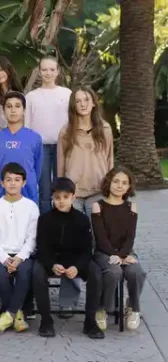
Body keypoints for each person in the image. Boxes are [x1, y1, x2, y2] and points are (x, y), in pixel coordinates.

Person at [32, 177, 105, 339]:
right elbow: (42, 248)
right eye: (57, 197)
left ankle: (90, 321)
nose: (61, 201)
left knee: (95, 273)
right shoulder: (45, 219)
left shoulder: (82, 219)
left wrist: (77, 267)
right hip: (53, 260)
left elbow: (87, 249)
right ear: (52, 198)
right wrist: (51, 264)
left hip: (75, 260)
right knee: (37, 273)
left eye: (65, 197)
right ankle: (46, 320)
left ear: (73, 197)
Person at [0, 162, 39, 334]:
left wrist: (19, 257)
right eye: (8, 180)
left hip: (23, 254)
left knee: (24, 273)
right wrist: (4, 258)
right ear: (2, 183)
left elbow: (32, 238)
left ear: (24, 182)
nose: (13, 183)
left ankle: (8, 315)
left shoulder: (31, 207)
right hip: (0, 254)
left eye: (17, 179)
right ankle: (17, 315)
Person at [92, 167, 146, 331]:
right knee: (114, 272)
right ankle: (103, 308)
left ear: (129, 186)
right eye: (116, 181)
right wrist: (115, 255)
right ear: (108, 182)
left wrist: (122, 255)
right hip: (104, 252)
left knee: (136, 271)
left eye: (124, 183)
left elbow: (130, 236)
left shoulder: (131, 207)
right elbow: (101, 238)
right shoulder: (98, 206)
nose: (119, 186)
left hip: (126, 251)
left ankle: (133, 307)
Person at [57, 87, 114, 217]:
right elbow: (60, 163)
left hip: (98, 191)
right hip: (72, 192)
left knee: (96, 229)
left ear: (94, 103)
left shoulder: (105, 129)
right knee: (75, 229)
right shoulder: (65, 132)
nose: (83, 104)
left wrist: (110, 187)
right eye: (78, 101)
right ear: (73, 105)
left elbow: (110, 159)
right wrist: (61, 190)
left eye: (86, 100)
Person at [25, 56, 72, 213]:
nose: (48, 73)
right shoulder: (31, 96)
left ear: (58, 71)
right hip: (41, 147)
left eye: (52, 69)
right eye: (44, 69)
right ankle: (46, 221)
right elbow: (27, 124)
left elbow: (72, 120)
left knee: (62, 187)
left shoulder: (67, 94)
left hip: (62, 146)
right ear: (39, 72)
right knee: (44, 189)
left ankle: (62, 219)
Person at [0, 92, 43, 203]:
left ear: (24, 110)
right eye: (9, 106)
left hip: (28, 194)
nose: (13, 110)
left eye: (17, 106)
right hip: (1, 195)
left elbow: (37, 168)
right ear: (3, 110)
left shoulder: (35, 137)